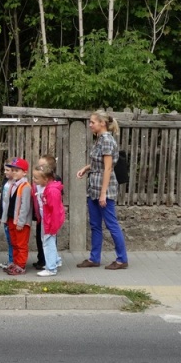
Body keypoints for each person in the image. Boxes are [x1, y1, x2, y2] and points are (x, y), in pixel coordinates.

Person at [76, 110, 129, 270]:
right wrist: (86, 168)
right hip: (94, 186)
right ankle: (94, 258)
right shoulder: (99, 139)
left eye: (92, 122)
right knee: (95, 224)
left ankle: (122, 259)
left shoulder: (106, 140)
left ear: (102, 123)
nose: (90, 125)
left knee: (111, 224)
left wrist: (103, 194)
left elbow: (108, 168)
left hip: (104, 188)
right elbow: (98, 163)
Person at [0, 157, 32, 276]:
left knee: (21, 244)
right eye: (12, 170)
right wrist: (5, 218)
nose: (14, 173)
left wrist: (21, 222)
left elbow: (25, 206)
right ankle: (15, 262)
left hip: (20, 221)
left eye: (17, 170)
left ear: (24, 172)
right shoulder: (12, 185)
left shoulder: (25, 186)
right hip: (11, 219)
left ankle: (21, 265)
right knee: (14, 243)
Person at [32, 163, 65, 276]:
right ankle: (55, 260)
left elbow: (55, 211)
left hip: (50, 221)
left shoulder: (52, 191)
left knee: (47, 242)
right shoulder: (44, 187)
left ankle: (51, 268)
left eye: (36, 178)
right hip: (46, 219)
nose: (34, 179)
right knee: (47, 241)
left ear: (46, 179)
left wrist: (52, 226)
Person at [0, 163, 14, 269]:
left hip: (11, 216)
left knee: (12, 240)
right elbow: (2, 200)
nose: (5, 172)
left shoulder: (17, 184)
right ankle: (11, 260)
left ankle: (13, 261)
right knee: (9, 239)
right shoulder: (5, 182)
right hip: (5, 215)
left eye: (7, 170)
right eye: (5, 170)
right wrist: (0, 213)